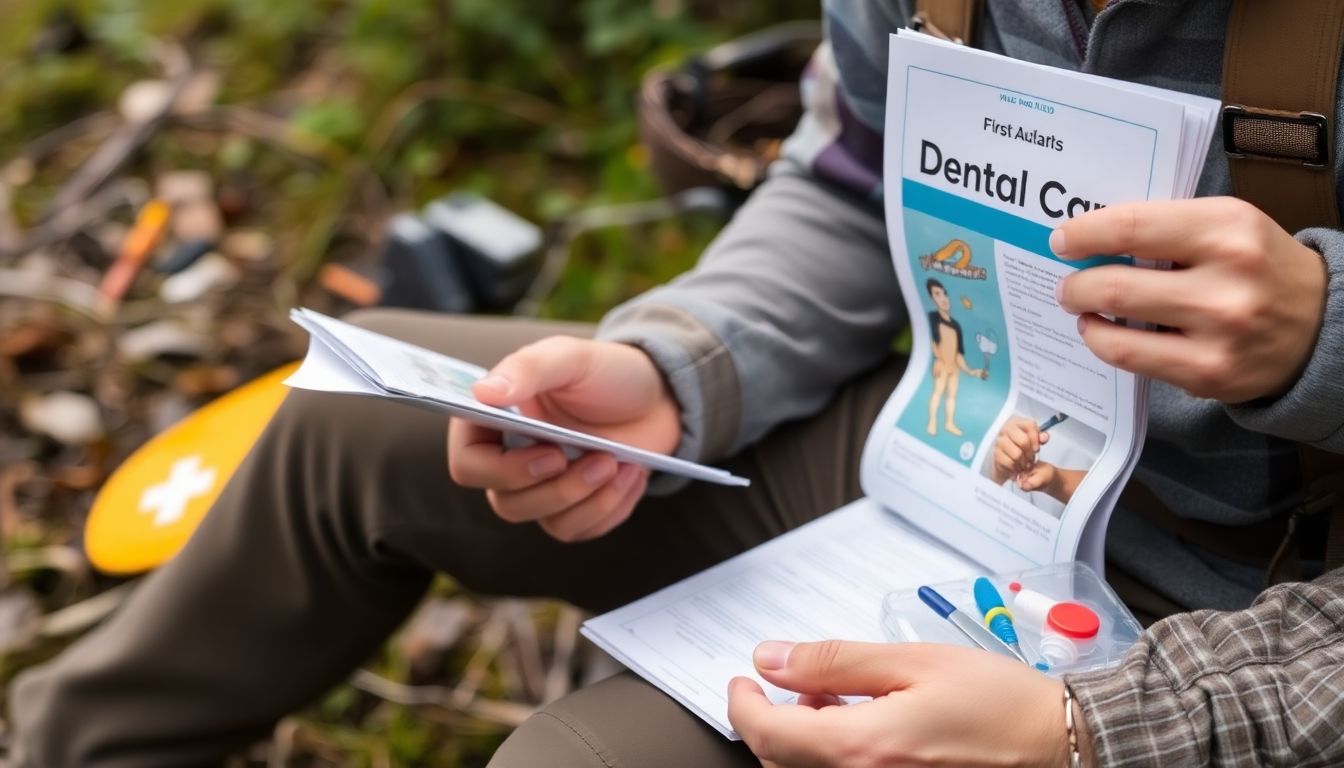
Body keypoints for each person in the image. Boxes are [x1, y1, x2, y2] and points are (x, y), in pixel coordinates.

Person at [12, 1, 1344, 766]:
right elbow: (849, 177)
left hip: (1243, 605)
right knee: (351, 419)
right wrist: (677, 368)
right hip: (960, 465)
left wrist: (1097, 730)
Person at [925, 278, 987, 437]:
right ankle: (932, 420)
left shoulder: (956, 325)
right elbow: (933, 342)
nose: (943, 298)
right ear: (932, 299)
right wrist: (937, 359)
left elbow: (959, 353)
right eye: (937, 294)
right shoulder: (932, 318)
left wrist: (971, 371)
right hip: (942, 365)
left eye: (944, 293)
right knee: (938, 392)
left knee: (951, 396)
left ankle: (949, 423)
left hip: (954, 368)